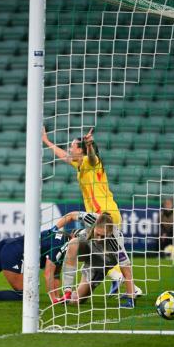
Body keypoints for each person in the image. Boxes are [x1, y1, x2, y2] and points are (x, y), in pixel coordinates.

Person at [42, 126, 127, 294]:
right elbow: (63, 156)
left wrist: (89, 145)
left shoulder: (90, 161)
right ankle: (128, 285)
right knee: (105, 250)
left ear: (80, 150)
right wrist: (46, 141)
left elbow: (94, 158)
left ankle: (116, 277)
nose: (69, 149)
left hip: (104, 215)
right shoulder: (79, 164)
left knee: (87, 246)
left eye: (72, 146)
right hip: (101, 215)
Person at [0, 211, 98, 301]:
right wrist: (54, 298)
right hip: (14, 254)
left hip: (6, 244)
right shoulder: (63, 244)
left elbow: (69, 216)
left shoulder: (56, 231)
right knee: (27, 294)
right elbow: (50, 272)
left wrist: (83, 216)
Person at [59, 212, 140, 308]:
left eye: (103, 236)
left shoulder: (116, 243)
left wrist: (131, 299)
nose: (99, 239)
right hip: (87, 246)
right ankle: (67, 291)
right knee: (73, 243)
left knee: (76, 300)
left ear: (109, 233)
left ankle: (94, 280)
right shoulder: (90, 218)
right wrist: (55, 228)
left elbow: (127, 273)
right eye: (97, 234)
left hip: (101, 262)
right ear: (95, 226)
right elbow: (71, 215)